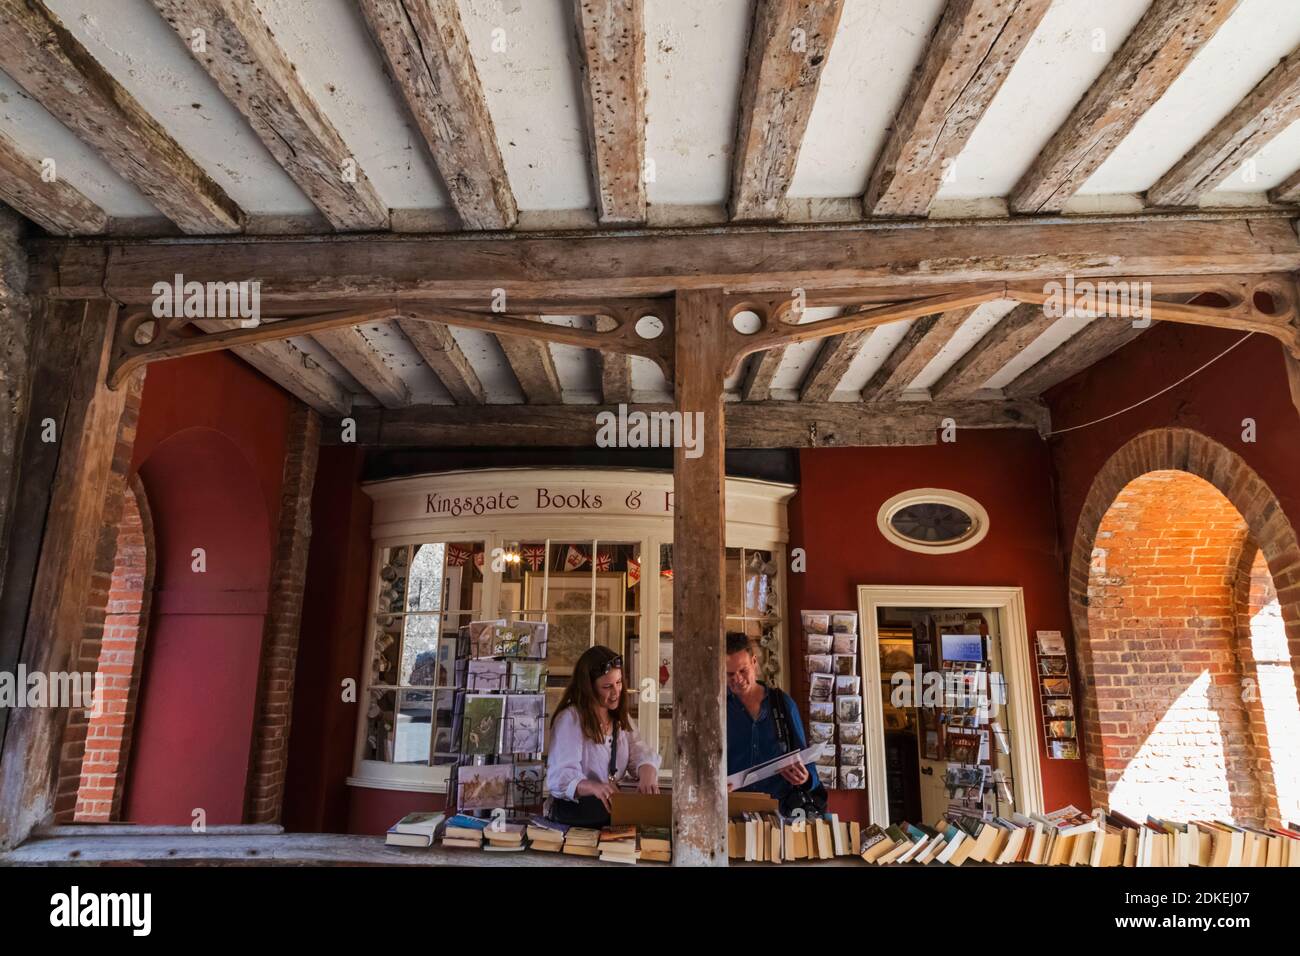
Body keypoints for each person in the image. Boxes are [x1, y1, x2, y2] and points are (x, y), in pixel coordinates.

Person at [546, 645, 660, 827]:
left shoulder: (620, 719)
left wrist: (647, 772)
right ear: (589, 688)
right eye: (607, 686)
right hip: (578, 822)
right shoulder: (571, 719)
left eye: (619, 682)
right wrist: (594, 787)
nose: (616, 692)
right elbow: (559, 777)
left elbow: (639, 751)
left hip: (610, 818)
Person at [725, 632, 824, 813]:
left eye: (742, 670)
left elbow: (803, 755)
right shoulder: (719, 708)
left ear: (754, 662)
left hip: (778, 812)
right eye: (730, 674)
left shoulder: (782, 703)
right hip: (733, 810)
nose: (737, 679)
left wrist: (806, 778)